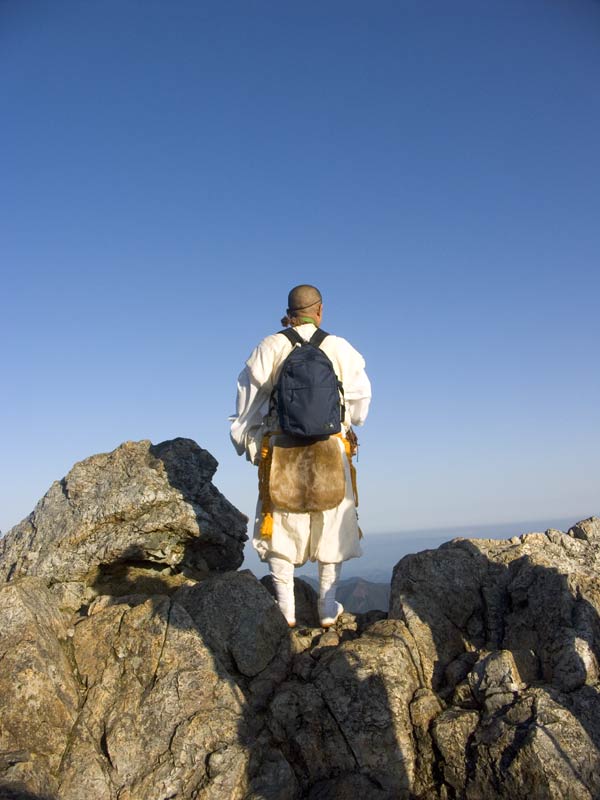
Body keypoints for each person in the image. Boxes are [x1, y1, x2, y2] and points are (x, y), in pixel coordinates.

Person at [230, 284, 371, 627]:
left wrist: (253, 446)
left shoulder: (271, 346)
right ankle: (327, 606)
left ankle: (286, 609)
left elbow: (246, 409)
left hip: (282, 447)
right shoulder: (339, 348)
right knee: (333, 520)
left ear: (288, 313)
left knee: (279, 524)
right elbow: (360, 407)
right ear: (320, 310)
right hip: (331, 447)